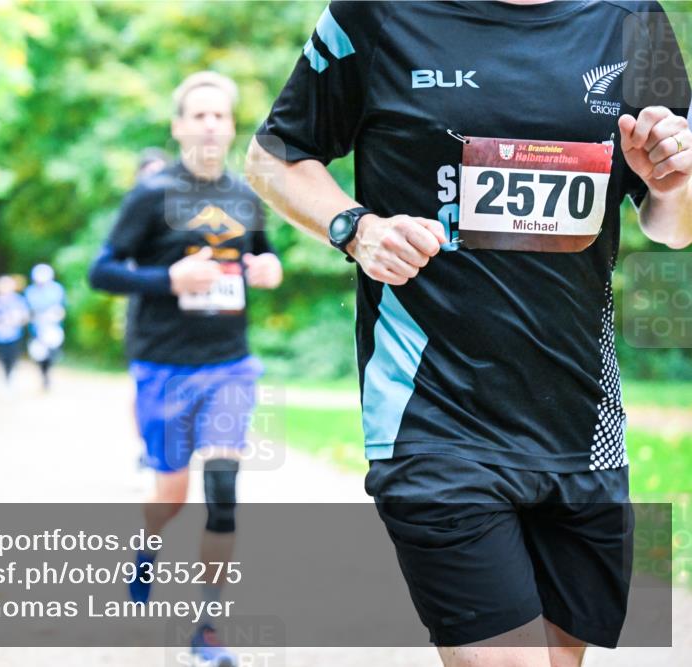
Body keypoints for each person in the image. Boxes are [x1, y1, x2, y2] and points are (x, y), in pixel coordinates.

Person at [245, 1, 691, 665]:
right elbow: (273, 157)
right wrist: (356, 228)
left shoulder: (635, 18)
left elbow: (673, 224)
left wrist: (673, 182)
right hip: (433, 415)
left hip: (581, 427)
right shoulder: (379, 13)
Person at [89, 71, 283, 667]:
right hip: (163, 366)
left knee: (222, 491)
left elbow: (259, 251)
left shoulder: (246, 195)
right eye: (197, 115)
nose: (208, 125)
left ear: (230, 126)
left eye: (219, 115)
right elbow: (101, 271)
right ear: (178, 126)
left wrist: (268, 266)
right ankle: (148, 550)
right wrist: (167, 279)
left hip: (229, 364)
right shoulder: (150, 195)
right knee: (170, 496)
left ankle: (208, 627)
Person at [24, 263, 66, 391]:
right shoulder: (30, 291)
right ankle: (43, 377)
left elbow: (61, 309)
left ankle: (48, 377)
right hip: (36, 329)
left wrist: (53, 316)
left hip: (52, 328)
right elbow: (27, 311)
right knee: (39, 354)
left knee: (51, 354)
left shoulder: (57, 290)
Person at [0, 274, 29, 383]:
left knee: (13, 358)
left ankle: (10, 377)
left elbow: (25, 316)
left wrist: (16, 320)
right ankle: (5, 378)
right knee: (2, 359)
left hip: (14, 335)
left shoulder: (18, 300)